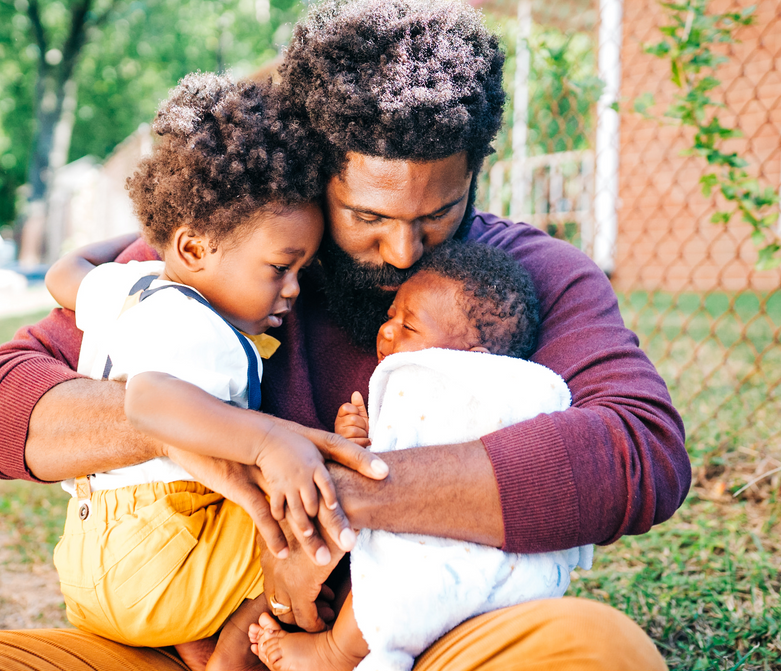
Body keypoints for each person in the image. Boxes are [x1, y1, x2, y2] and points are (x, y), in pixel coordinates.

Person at [0, 0, 689, 670]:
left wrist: (330, 495)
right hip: (171, 653)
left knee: (597, 650)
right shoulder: (236, 257)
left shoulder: (524, 275)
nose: (404, 250)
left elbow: (638, 450)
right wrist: (219, 432)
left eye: (439, 212)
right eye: (367, 215)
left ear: (477, 170)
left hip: (417, 648)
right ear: (314, 170)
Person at [39, 73, 387, 671]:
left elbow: (65, 271)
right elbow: (146, 400)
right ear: (197, 250)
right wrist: (274, 442)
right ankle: (233, 659)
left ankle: (195, 642)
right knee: (309, 510)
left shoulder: (132, 286)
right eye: (280, 267)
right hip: (158, 556)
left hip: (90, 555)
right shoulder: (200, 329)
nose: (294, 288)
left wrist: (156, 236)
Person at [250, 241, 592, 671]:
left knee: (389, 587)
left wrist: (350, 466)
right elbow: (387, 451)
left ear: (472, 360)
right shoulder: (400, 394)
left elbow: (388, 468)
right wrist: (353, 439)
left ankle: (331, 654)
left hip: (471, 555)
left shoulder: (479, 388)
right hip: (460, 574)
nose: (387, 331)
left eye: (408, 328)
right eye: (391, 316)